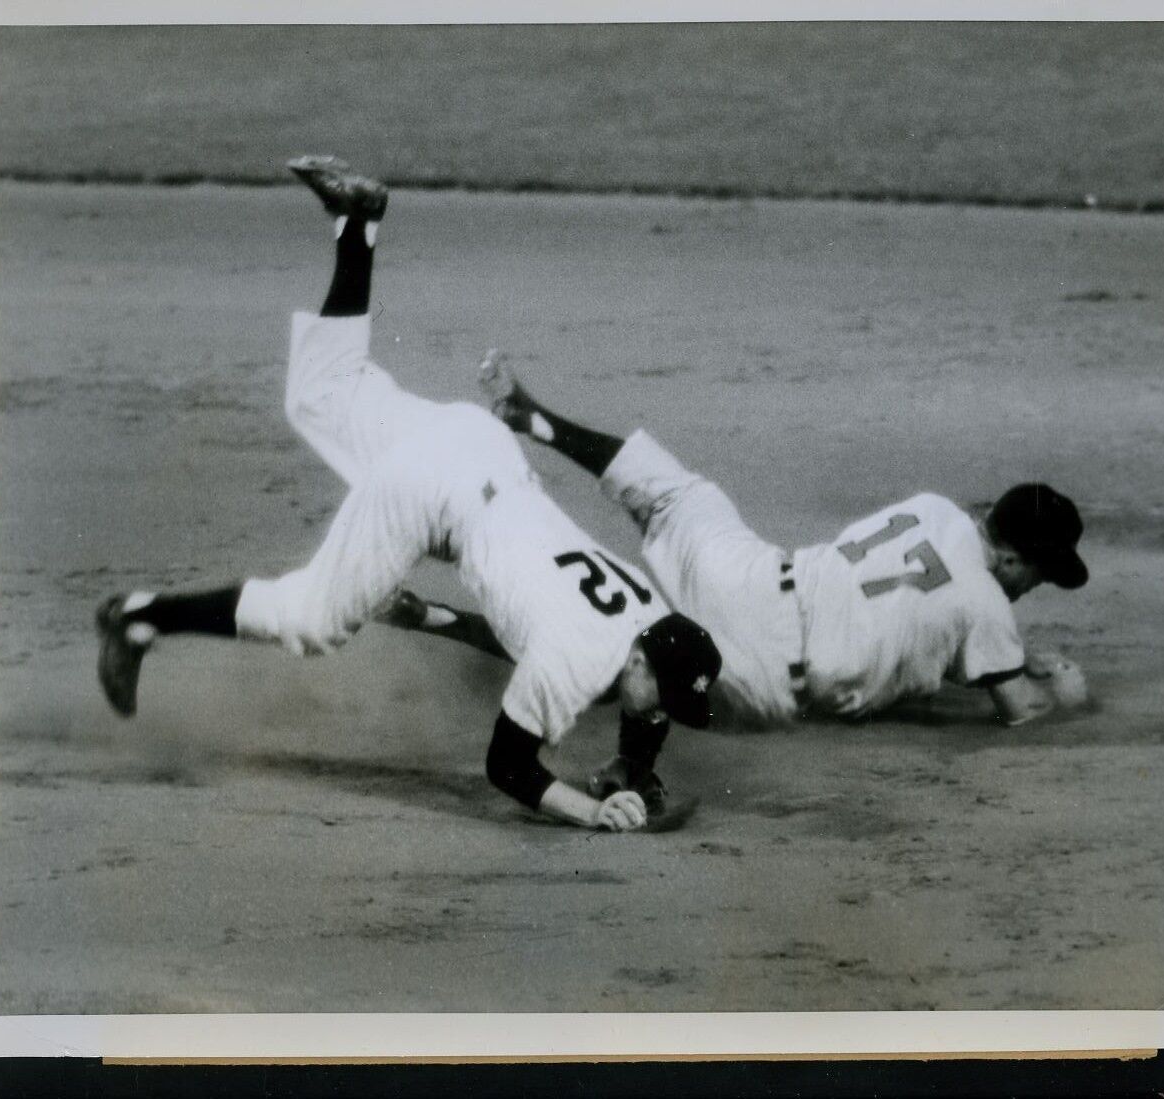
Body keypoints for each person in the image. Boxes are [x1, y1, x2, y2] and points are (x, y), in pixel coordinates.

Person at [94, 156, 721, 832]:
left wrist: (633, 765)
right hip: (430, 493)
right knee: (310, 619)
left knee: (319, 393)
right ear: (638, 657)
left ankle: (356, 225)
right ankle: (140, 615)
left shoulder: (648, 617)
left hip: (476, 443)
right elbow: (508, 766)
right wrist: (590, 809)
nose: (659, 717)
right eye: (662, 702)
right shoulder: (576, 661)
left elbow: (616, 689)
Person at [385, 351, 1090, 742]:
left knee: (676, 494)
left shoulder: (935, 509)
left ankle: (534, 419)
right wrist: (1059, 689)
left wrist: (1003, 654)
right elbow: (1016, 709)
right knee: (606, 651)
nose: (1032, 589)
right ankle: (430, 617)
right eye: (1039, 574)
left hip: (749, 575)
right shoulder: (986, 605)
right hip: (755, 674)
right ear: (1013, 559)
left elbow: (917, 606)